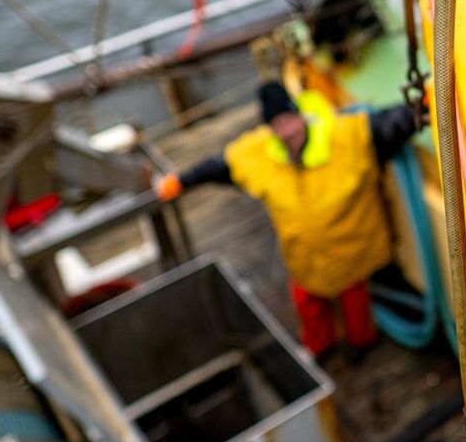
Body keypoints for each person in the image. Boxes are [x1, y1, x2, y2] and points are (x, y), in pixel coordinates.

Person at [158, 81, 421, 357]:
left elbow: (390, 124)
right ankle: (320, 348)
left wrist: (422, 105)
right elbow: (218, 167)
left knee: (357, 309)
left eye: (290, 121)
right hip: (304, 262)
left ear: (300, 115)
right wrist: (181, 181)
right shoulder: (257, 154)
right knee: (308, 306)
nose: (287, 132)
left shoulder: (345, 136)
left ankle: (361, 343)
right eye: (277, 126)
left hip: (352, 259)